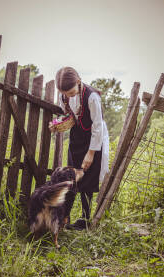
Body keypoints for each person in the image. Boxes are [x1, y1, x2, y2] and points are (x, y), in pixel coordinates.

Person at [49, 66, 109, 230]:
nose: (68, 96)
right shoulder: (64, 96)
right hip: (77, 137)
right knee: (72, 175)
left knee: (88, 177)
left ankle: (85, 219)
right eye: (65, 93)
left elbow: (98, 127)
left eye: (71, 92)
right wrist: (59, 124)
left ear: (78, 81)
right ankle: (64, 217)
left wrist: (91, 153)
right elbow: (70, 115)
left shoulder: (92, 97)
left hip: (93, 138)